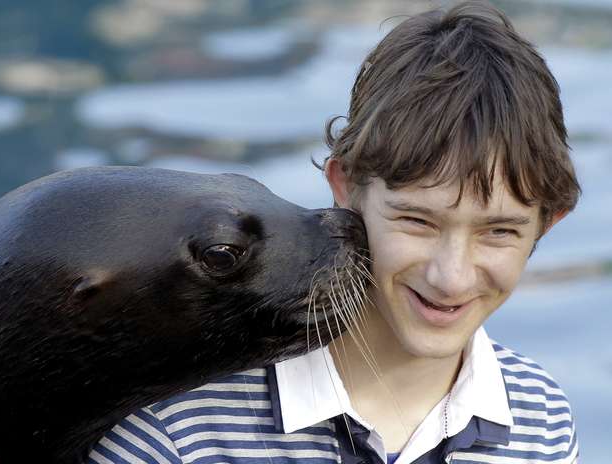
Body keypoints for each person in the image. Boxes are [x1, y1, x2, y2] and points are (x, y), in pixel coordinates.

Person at [87, 2, 580, 463]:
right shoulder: (176, 427)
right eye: (416, 221)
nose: (450, 277)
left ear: (546, 222)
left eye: (498, 232)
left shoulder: (542, 419)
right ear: (345, 187)